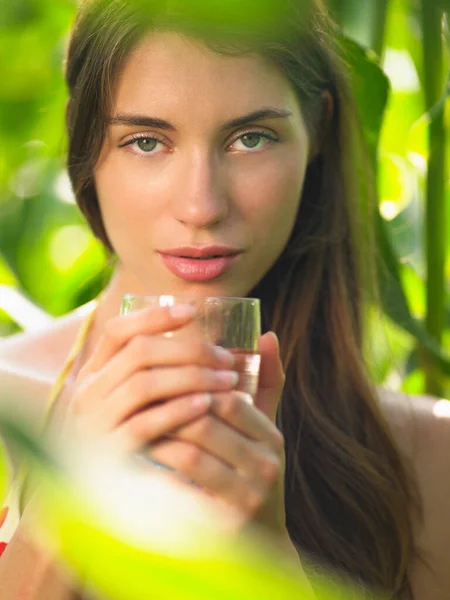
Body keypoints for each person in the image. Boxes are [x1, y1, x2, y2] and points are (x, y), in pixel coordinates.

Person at [0, 0, 449, 597]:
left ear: (317, 130)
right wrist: (52, 534)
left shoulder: (429, 460)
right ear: (84, 143)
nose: (202, 206)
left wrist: (270, 565)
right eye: (146, 141)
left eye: (250, 138)